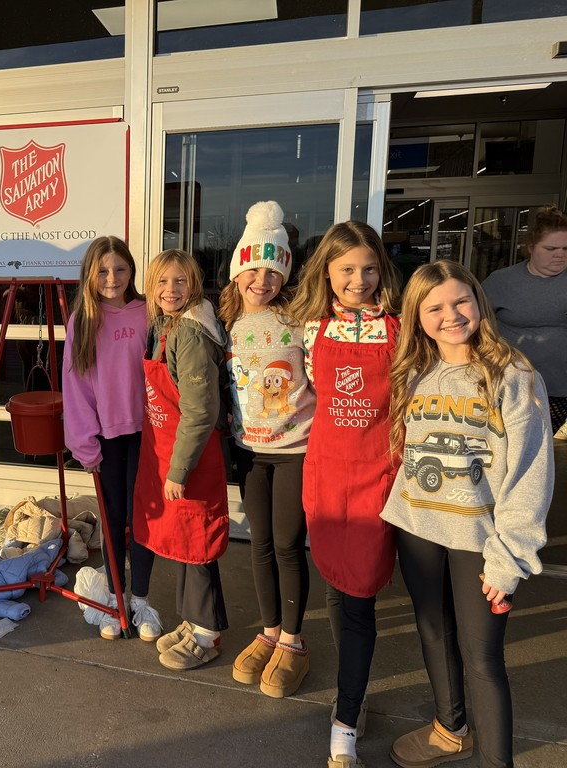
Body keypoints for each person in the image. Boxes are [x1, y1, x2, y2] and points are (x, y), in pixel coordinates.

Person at [383, 260, 552, 768]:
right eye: (434, 307)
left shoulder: (513, 375)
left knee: (482, 659)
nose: (450, 315)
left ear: (479, 301)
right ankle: (450, 729)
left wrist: (511, 556)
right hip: (417, 529)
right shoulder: (413, 369)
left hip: (479, 541)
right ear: (418, 316)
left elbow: (530, 474)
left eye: (460, 301)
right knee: (433, 633)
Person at [289, 220, 403, 768]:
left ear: (382, 269)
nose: (358, 280)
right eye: (346, 270)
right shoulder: (310, 329)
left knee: (360, 596)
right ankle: (349, 698)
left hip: (384, 476)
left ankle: (346, 716)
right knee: (337, 588)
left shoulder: (405, 329)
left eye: (368, 268)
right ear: (327, 273)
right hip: (329, 475)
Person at [219, 202, 315, 698]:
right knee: (258, 545)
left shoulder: (299, 320)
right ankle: (270, 630)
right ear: (237, 271)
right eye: (253, 268)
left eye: (273, 269)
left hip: (296, 450)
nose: (262, 279)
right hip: (249, 450)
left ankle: (294, 642)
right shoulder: (226, 323)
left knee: (286, 543)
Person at [133, 248, 230, 671]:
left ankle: (207, 634)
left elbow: (200, 411)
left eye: (180, 281)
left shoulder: (188, 333)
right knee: (185, 541)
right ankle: (194, 621)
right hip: (172, 452)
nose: (170, 290)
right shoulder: (163, 326)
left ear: (193, 285)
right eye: (162, 282)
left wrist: (178, 469)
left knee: (198, 541)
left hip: (191, 458)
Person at [62, 235, 160, 641]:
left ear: (132, 270)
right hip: (106, 439)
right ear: (90, 274)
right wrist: (85, 444)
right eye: (102, 270)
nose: (112, 277)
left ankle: (140, 600)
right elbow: (76, 386)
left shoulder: (147, 313)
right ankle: (116, 599)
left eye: (120, 269)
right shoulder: (83, 320)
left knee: (145, 522)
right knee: (113, 520)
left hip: (148, 435)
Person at [483, 205, 567, 440]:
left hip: (558, 390)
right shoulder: (501, 282)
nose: (560, 254)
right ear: (531, 248)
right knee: (506, 444)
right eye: (550, 248)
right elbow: (476, 326)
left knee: (537, 445)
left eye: (565, 248)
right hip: (509, 385)